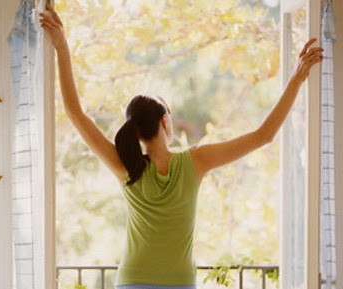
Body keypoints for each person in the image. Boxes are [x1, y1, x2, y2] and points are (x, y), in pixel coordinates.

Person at [40, 3, 323, 289]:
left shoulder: (126, 167)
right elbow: (264, 135)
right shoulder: (196, 161)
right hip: (180, 283)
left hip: (131, 281)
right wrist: (298, 78)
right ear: (165, 121)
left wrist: (61, 47)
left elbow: (75, 112)